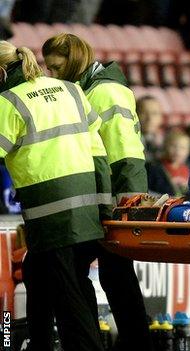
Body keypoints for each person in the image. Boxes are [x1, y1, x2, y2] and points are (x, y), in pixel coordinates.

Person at [42, 33, 153, 351]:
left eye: (55, 66)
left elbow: (123, 152)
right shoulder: (93, 88)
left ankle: (126, 343)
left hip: (115, 198)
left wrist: (122, 204)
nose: (52, 73)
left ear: (74, 58)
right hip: (109, 195)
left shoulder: (104, 92)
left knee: (110, 276)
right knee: (115, 277)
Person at [0, 41, 108, 350]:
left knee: (69, 295)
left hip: (51, 212)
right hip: (86, 205)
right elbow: (98, 149)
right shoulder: (70, 90)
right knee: (40, 273)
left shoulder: (9, 101)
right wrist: (105, 204)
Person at [147, 129, 190, 196]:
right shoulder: (154, 168)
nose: (177, 151)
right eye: (173, 146)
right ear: (165, 146)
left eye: (183, 148)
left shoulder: (188, 170)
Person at [136, 95, 165, 162]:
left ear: (161, 117)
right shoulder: (128, 142)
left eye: (154, 113)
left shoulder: (167, 142)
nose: (150, 118)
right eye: (144, 113)